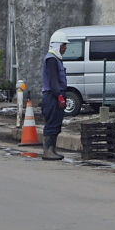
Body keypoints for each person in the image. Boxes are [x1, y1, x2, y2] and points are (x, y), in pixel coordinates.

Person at [41, 30, 69, 161]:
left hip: (56, 95)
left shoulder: (56, 58)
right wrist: (59, 95)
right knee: (51, 123)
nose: (66, 48)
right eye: (64, 45)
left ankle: (52, 149)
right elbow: (53, 80)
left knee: (56, 123)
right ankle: (47, 150)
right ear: (58, 45)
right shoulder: (51, 59)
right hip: (52, 96)